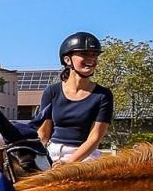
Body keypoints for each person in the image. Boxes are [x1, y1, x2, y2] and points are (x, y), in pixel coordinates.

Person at [36, 32, 114, 164]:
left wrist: (69, 164)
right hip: (51, 153)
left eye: (94, 55)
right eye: (84, 54)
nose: (91, 59)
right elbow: (43, 133)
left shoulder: (103, 95)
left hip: (84, 157)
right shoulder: (52, 91)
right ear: (67, 60)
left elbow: (94, 138)